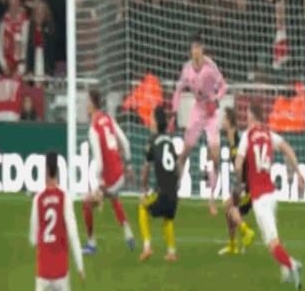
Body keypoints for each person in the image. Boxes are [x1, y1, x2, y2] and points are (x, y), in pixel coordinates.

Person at [235, 101, 304, 289]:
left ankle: (293, 265)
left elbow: (238, 164)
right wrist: (298, 173)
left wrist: (239, 184)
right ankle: (285, 271)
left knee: (271, 243)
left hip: (259, 198)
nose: (246, 116)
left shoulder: (247, 136)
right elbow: (288, 149)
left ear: (251, 115)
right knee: (274, 235)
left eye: (247, 113)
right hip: (271, 194)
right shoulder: (268, 134)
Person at [171, 32, 227, 215]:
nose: (195, 51)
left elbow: (224, 86)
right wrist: (174, 113)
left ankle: (211, 199)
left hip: (211, 112)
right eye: (193, 48)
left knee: (216, 156)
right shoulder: (187, 69)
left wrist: (215, 102)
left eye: (197, 47)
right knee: (184, 153)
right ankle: (174, 191)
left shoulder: (210, 67)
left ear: (202, 49)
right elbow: (178, 91)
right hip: (197, 110)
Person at [82, 89, 135, 255]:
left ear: (92, 104)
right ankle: (128, 232)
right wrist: (129, 165)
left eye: (87, 101)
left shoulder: (93, 129)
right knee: (113, 197)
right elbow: (125, 143)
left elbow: (98, 162)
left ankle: (91, 244)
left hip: (110, 181)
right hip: (121, 175)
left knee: (86, 204)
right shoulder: (109, 119)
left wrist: (99, 184)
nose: (85, 105)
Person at [29, 151, 84, 290]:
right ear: (58, 172)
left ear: (46, 171)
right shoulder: (65, 197)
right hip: (61, 271)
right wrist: (80, 265)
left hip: (43, 271)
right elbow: (73, 234)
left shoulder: (38, 199)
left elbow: (33, 239)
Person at [139, 106, 179, 261]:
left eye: (151, 118)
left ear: (155, 122)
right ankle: (171, 252)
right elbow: (176, 167)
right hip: (173, 195)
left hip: (161, 193)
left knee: (142, 206)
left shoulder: (152, 141)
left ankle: (147, 247)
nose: (149, 121)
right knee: (168, 218)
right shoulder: (170, 142)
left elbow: (146, 169)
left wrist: (144, 188)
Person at [218, 107, 255, 255]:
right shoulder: (232, 139)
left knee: (231, 208)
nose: (222, 121)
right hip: (243, 184)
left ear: (229, 121)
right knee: (227, 208)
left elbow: (244, 164)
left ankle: (246, 231)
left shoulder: (238, 141)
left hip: (247, 186)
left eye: (224, 118)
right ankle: (232, 245)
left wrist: (242, 185)